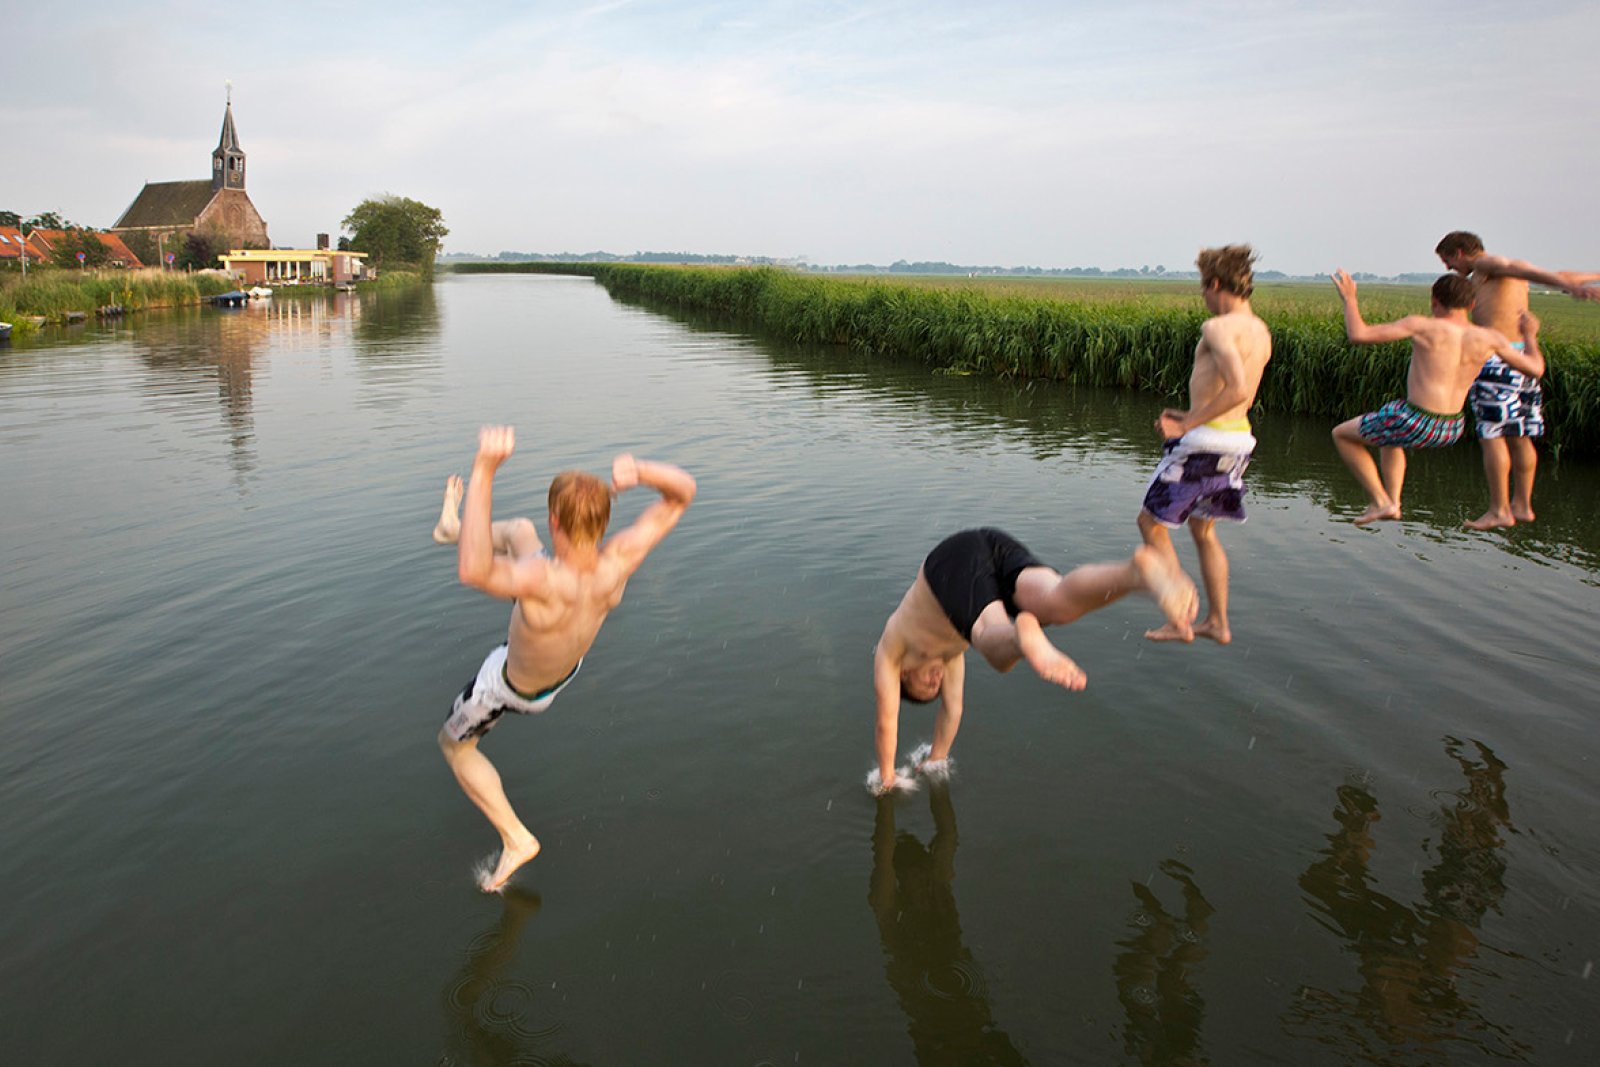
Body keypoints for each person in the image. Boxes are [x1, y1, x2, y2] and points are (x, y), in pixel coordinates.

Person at [432, 426, 696, 891]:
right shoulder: (619, 560)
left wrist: (484, 471)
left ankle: (516, 838)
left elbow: (472, 570)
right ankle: (452, 527)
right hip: (563, 671)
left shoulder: (539, 580)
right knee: (517, 532)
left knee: (453, 746)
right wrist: (639, 470)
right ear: (603, 524)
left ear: (556, 519)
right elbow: (682, 494)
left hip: (511, 687)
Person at [871, 528, 1196, 794]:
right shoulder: (950, 658)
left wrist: (887, 777)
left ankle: (1021, 633)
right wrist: (935, 759)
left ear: (904, 675)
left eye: (925, 685)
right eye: (935, 687)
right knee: (1058, 602)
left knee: (992, 642)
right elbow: (953, 710)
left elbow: (887, 720)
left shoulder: (891, 650)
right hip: (989, 543)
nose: (935, 682)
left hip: (947, 566)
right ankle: (1135, 574)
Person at [1137, 244, 1272, 645]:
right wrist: (1190, 415)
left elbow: (1237, 387)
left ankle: (1180, 614)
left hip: (1205, 442)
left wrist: (1186, 424)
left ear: (1215, 283)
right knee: (1203, 530)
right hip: (1237, 442)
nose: (1203, 296)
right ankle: (1217, 621)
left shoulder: (1218, 328)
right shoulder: (1261, 331)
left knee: (1150, 524)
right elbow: (1239, 397)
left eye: (1203, 287)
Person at [1330, 270, 1543, 526]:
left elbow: (1359, 335)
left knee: (1342, 434)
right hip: (1452, 427)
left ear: (1434, 302)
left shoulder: (1423, 326)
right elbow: (1535, 369)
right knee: (1388, 425)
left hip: (1417, 419)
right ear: (1472, 304)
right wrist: (1529, 335)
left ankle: (1381, 500)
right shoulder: (1491, 338)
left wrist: (1350, 299)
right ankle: (1392, 502)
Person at [1436, 231, 1599, 529]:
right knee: (1519, 434)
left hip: (1496, 360)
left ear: (1460, 252)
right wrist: (1580, 279)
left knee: (1493, 435)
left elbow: (1522, 268)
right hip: (1522, 357)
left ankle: (1499, 509)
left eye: (1447, 260)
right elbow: (1544, 272)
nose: (1448, 268)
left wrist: (1567, 286)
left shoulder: (1486, 265)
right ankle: (1522, 505)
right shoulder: (1501, 275)